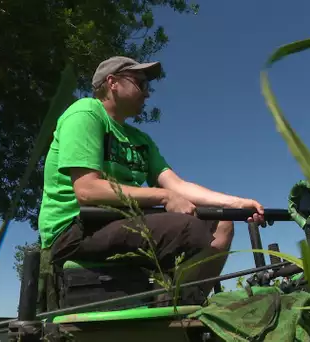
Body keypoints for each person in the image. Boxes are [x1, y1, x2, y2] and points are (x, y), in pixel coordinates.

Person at [38, 56, 265, 303]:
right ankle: (168, 305)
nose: (147, 94)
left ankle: (187, 303)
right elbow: (87, 190)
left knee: (221, 223)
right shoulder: (85, 113)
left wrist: (236, 204)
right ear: (112, 82)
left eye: (149, 87)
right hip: (76, 228)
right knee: (189, 230)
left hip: (119, 220)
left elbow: (177, 185)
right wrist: (163, 196)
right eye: (140, 84)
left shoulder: (140, 140)